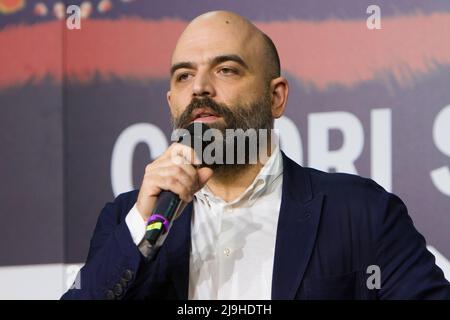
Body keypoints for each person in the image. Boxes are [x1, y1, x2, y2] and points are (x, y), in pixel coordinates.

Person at [62, 10, 450, 300]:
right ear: (170, 102)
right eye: (183, 76)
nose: (199, 87)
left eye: (226, 70)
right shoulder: (125, 219)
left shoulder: (361, 212)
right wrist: (142, 225)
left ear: (275, 96)